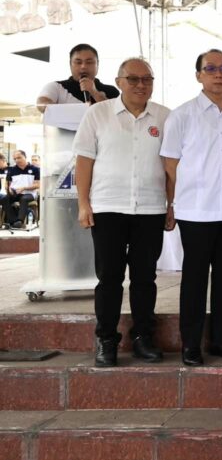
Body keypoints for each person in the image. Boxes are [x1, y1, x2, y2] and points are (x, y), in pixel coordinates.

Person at [72, 57, 171, 367]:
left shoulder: (165, 117)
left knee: (145, 278)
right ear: (119, 82)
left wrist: (171, 205)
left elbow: (171, 167)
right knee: (109, 278)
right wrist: (83, 203)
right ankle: (106, 339)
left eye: (147, 79)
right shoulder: (98, 114)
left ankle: (143, 337)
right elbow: (84, 161)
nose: (141, 85)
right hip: (108, 208)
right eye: (133, 79)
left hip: (151, 209)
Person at [161, 50, 222, 366]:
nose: (218, 74)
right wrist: (173, 203)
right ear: (198, 75)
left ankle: (221, 341)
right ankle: (191, 344)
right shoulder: (182, 116)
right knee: (195, 281)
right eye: (210, 69)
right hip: (196, 212)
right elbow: (170, 165)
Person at [37, 43, 119, 108]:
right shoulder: (56, 87)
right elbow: (41, 104)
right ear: (70, 65)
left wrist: (95, 93)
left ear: (98, 64)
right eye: (78, 62)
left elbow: (118, 116)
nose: (83, 66)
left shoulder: (111, 91)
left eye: (89, 62)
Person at [3, 150, 40, 229]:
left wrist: (24, 188)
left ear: (25, 157)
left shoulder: (35, 169)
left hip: (30, 193)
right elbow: (7, 184)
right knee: (4, 199)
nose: (17, 160)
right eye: (15, 159)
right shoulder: (12, 170)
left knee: (24, 199)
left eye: (19, 158)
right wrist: (9, 190)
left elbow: (37, 185)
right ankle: (14, 221)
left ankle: (20, 221)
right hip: (15, 193)